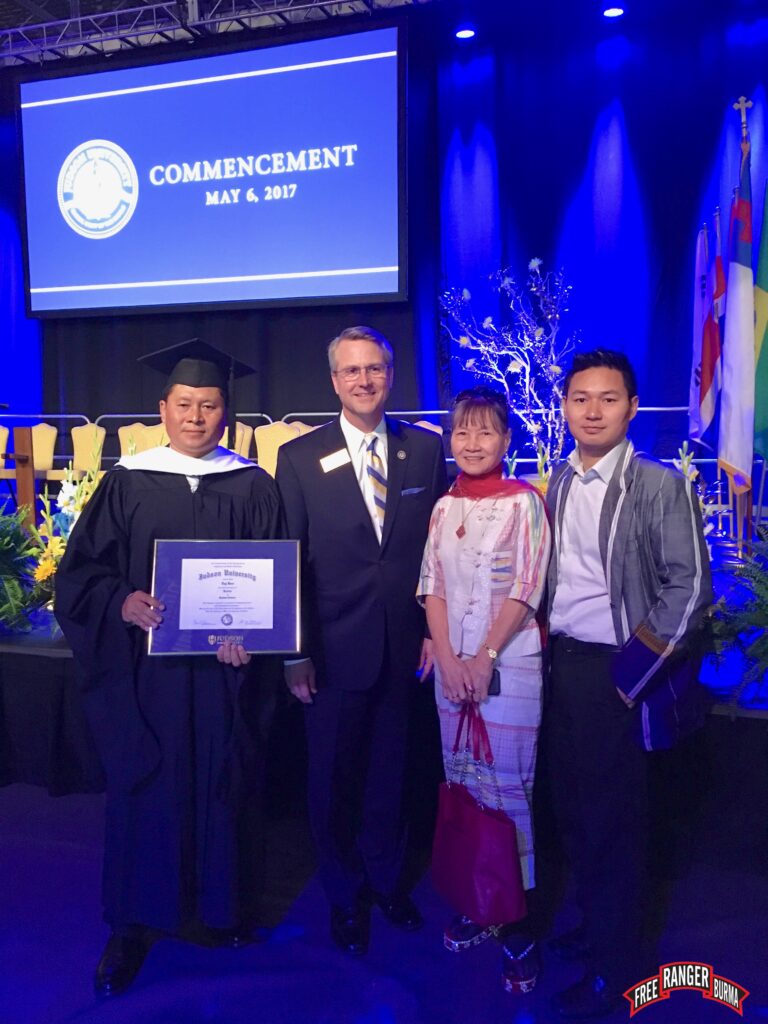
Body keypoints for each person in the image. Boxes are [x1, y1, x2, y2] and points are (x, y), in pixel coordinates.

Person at [54, 340, 284, 997]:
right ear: (163, 408)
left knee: (221, 782)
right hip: (146, 679)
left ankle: (222, 910)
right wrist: (120, 601)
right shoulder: (128, 480)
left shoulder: (252, 485)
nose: (195, 417)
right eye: (184, 405)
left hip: (221, 674)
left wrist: (255, 640)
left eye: (209, 405)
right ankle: (131, 925)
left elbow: (272, 584)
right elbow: (80, 579)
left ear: (225, 412)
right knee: (147, 789)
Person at [543, 349, 712, 1019]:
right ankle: (593, 929)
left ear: (632, 407)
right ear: (563, 408)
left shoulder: (659, 485)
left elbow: (691, 587)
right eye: (579, 398)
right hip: (559, 667)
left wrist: (630, 675)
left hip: (619, 673)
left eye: (607, 398)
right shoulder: (552, 482)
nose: (591, 410)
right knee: (574, 818)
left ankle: (615, 973)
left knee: (615, 827)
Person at [275, 325, 448, 955]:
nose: (365, 380)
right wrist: (294, 650)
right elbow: (290, 556)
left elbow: (440, 554)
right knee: (331, 781)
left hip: (405, 648)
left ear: (391, 373)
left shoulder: (425, 453)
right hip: (328, 651)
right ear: (334, 381)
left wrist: (437, 628)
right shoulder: (297, 457)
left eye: (375, 368)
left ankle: (385, 882)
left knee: (392, 776)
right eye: (352, 371)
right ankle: (344, 896)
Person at [417, 386, 551, 994]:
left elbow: (527, 587)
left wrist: (485, 656)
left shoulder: (525, 503)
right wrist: (449, 659)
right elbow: (432, 585)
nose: (472, 444)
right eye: (462, 433)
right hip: (452, 672)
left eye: (485, 433)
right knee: (465, 779)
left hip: (511, 665)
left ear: (506, 440)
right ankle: (478, 899)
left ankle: (516, 918)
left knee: (509, 790)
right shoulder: (445, 505)